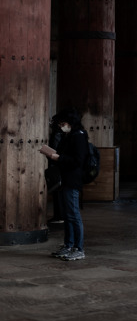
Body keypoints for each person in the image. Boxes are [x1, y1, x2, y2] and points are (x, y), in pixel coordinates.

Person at [39, 107, 87, 260]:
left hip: (72, 180)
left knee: (73, 215)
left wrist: (58, 158)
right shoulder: (69, 135)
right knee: (68, 215)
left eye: (63, 123)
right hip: (64, 179)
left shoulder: (79, 136)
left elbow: (78, 161)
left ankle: (79, 248)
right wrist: (52, 154)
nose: (61, 126)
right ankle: (68, 245)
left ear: (70, 122)